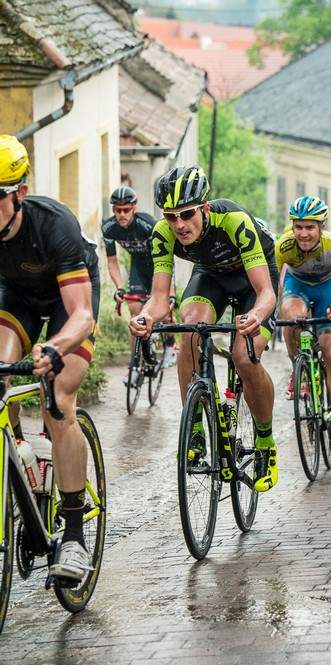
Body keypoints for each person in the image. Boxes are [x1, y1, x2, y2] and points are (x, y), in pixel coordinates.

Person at [129, 165, 279, 492]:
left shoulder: (234, 222)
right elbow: (159, 298)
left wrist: (256, 315)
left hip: (254, 280)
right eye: (171, 216)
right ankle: (195, 427)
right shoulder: (163, 233)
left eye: (187, 214)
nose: (179, 224)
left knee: (244, 356)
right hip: (211, 275)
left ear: (205, 208)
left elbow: (266, 293)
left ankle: (265, 442)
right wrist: (145, 316)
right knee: (190, 331)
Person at [0, 135, 99, 581]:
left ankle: (74, 538)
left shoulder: (53, 225)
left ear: (19, 193)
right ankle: (21, 456)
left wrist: (56, 347)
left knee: (57, 399)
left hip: (68, 302)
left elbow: (81, 314)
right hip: (17, 299)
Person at [275, 195, 331, 457]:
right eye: (298, 227)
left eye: (309, 227)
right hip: (297, 286)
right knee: (291, 316)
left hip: (327, 289)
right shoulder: (284, 245)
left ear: (321, 226)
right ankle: (297, 366)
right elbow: (275, 284)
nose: (303, 233)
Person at [102, 186, 176, 369]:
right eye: (117, 210)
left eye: (126, 209)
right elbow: (112, 261)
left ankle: (170, 347)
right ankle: (135, 363)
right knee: (135, 311)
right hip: (138, 266)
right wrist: (119, 288)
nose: (121, 214)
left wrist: (170, 293)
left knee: (165, 312)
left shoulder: (147, 224)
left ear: (134, 208)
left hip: (159, 265)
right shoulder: (109, 228)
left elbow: (165, 258)